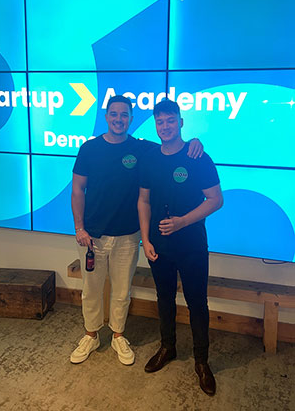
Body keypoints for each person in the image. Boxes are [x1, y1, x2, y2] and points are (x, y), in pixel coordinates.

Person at [70, 95, 203, 366]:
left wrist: (194, 142)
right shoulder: (89, 148)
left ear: (131, 119)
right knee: (91, 290)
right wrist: (79, 227)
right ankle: (91, 334)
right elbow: (77, 190)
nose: (119, 119)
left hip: (129, 236)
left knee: (122, 291)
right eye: (114, 114)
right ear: (106, 117)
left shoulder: (142, 149)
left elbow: (173, 146)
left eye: (125, 115)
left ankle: (118, 334)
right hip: (93, 236)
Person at [137, 99, 223, 396]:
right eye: (160, 121)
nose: (165, 126)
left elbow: (215, 200)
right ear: (155, 124)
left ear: (181, 122)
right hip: (159, 244)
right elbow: (144, 201)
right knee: (164, 298)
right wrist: (145, 240)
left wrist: (183, 221)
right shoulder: (149, 158)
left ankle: (202, 362)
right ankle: (168, 348)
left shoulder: (198, 156)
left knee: (197, 302)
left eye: (170, 120)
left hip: (192, 244)